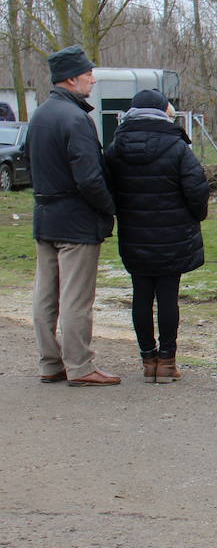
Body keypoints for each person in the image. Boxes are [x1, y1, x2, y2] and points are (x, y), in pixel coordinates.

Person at [28, 45, 120, 386]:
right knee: (76, 298)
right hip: (76, 221)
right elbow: (89, 178)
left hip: (45, 217)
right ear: (70, 78)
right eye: (87, 74)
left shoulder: (40, 115)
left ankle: (50, 363)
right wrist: (110, 207)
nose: (92, 79)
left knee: (45, 295)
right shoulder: (76, 119)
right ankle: (80, 366)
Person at [104, 90, 210, 383]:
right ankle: (167, 361)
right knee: (167, 297)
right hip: (172, 234)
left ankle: (148, 360)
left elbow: (105, 185)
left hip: (134, 234)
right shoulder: (176, 146)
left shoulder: (116, 147)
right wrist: (196, 215)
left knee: (141, 296)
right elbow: (197, 188)